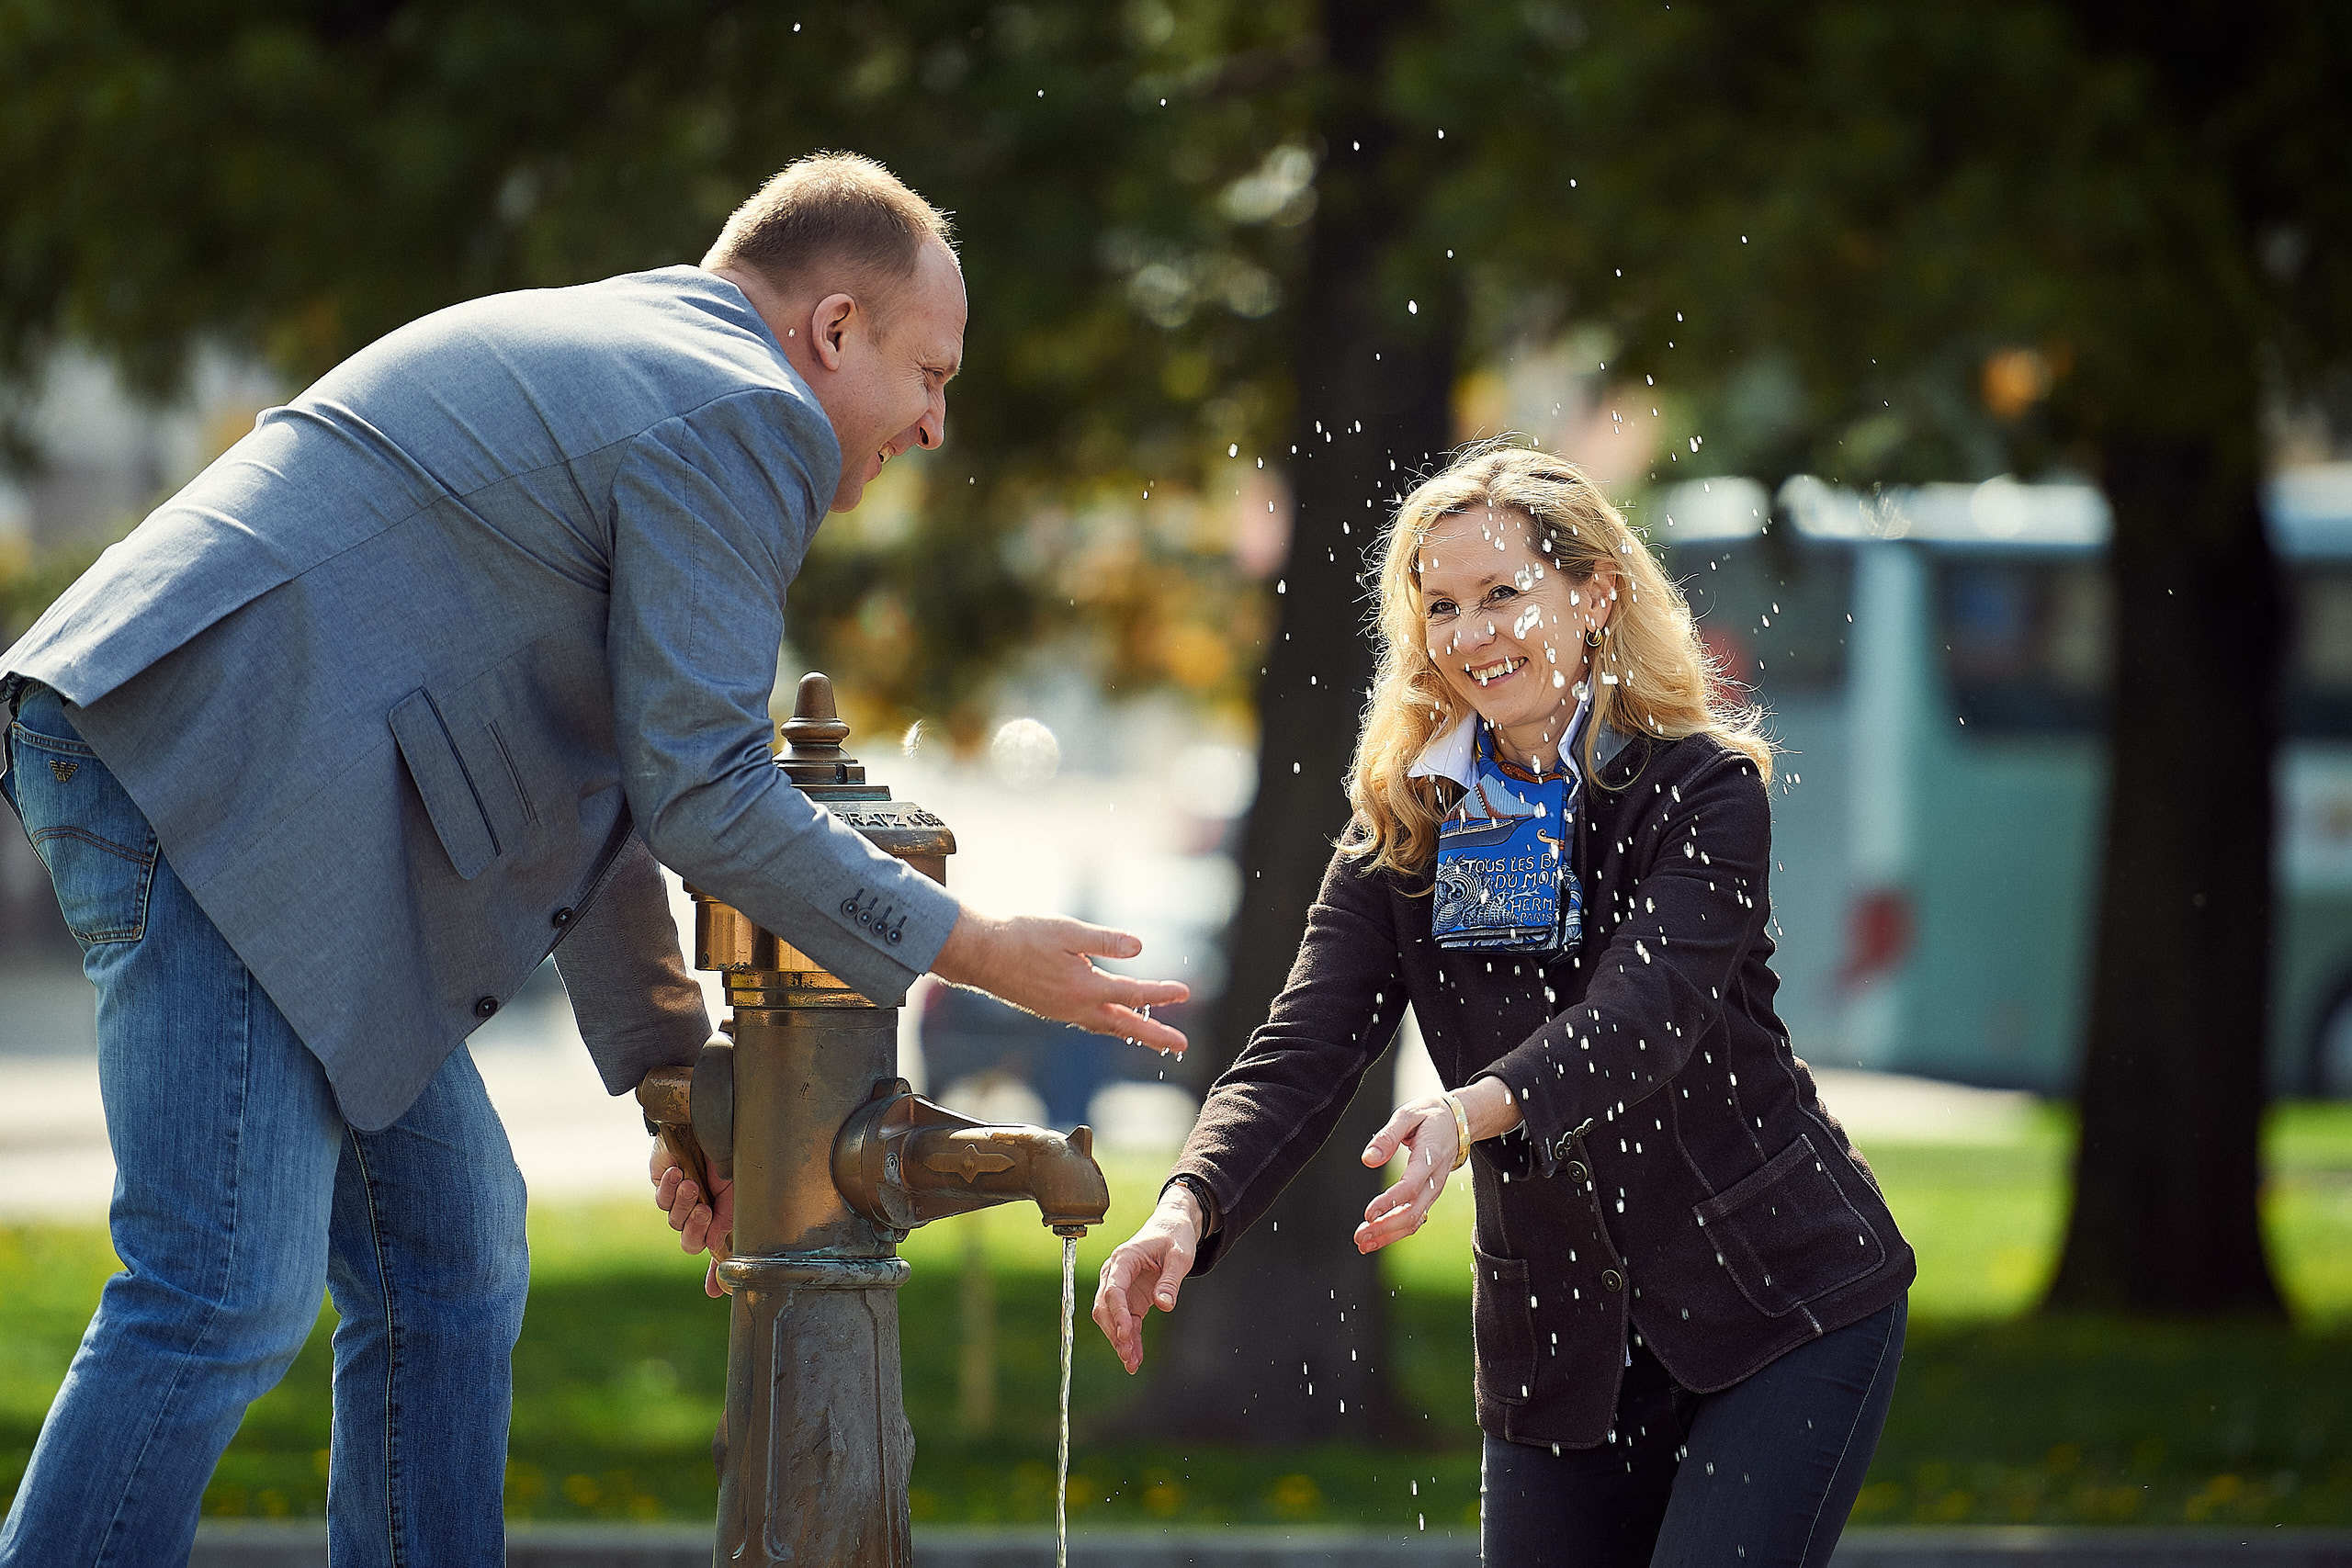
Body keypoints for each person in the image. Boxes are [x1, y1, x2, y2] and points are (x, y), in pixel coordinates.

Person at [0, 152, 1185, 1567]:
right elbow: (709, 793)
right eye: (930, 374)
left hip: (249, 775)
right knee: (219, 1288)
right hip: (215, 762)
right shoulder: (746, 415)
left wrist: (675, 1081)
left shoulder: (654, 366)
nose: (935, 425)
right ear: (833, 331)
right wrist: (976, 945)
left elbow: (606, 781)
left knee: (451, 1258)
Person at [1094, 444, 1912, 1567]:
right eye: (1440, 606)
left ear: (1594, 593)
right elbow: (1304, 1041)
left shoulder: (1700, 791)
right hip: (1557, 1345)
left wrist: (1468, 1112)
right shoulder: (1409, 822)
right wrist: (1188, 1204)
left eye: (1502, 594)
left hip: (1785, 1301)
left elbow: (1643, 1016)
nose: (1472, 634)